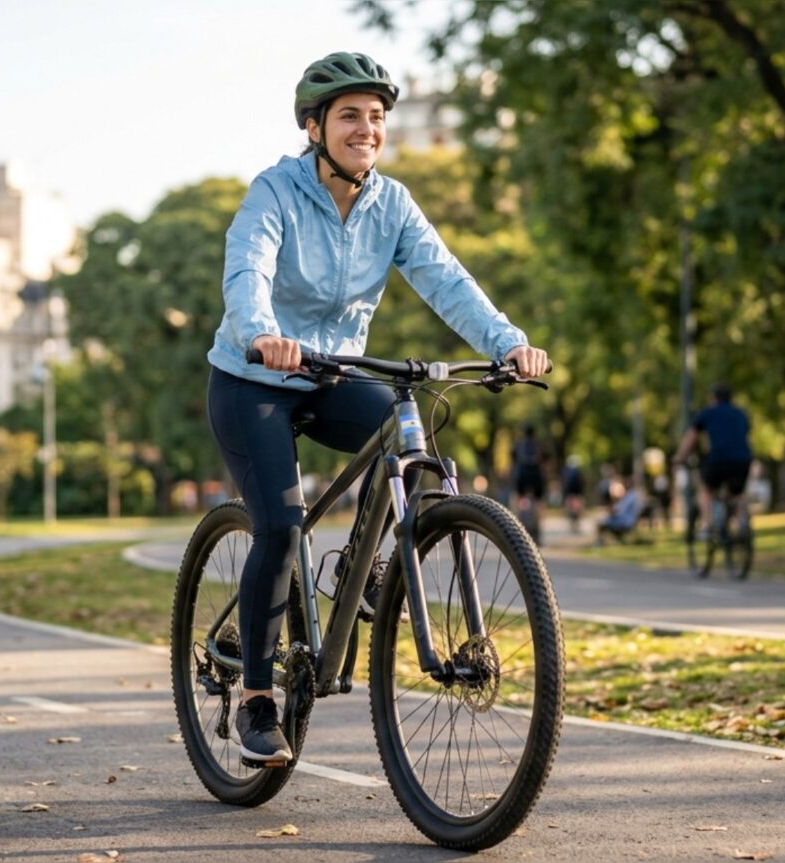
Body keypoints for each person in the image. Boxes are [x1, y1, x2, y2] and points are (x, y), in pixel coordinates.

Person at [205, 51, 549, 766]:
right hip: (253, 377)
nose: (367, 129)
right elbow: (249, 271)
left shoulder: (391, 202)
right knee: (281, 521)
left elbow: (446, 279)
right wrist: (259, 333)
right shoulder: (273, 191)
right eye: (350, 116)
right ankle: (258, 698)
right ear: (314, 126)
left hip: (334, 373)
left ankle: (365, 570)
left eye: (377, 118)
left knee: (415, 438)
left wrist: (509, 343)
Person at [673, 383, 752, 540]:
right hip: (743, 459)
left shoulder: (708, 413)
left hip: (719, 458)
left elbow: (691, 437)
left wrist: (680, 457)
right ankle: (743, 522)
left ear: (713, 398)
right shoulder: (741, 414)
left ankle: (707, 526)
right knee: (737, 493)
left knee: (705, 489)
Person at [596, 478, 644, 545]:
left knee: (601, 523)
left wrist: (608, 508)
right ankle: (619, 539)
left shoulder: (629, 496)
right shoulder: (634, 495)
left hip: (625, 522)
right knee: (606, 521)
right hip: (629, 521)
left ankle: (599, 543)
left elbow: (618, 510)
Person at [560, 455, 585, 533]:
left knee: (570, 510)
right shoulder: (578, 472)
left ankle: (572, 524)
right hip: (577, 494)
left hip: (569, 494)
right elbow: (582, 483)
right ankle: (576, 525)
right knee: (577, 510)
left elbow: (564, 484)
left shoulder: (566, 471)